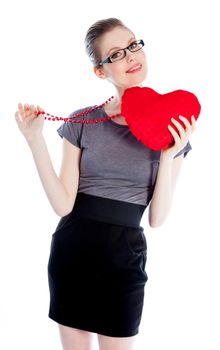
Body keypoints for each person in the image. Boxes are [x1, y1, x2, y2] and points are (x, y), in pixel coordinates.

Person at [15, 17, 196, 350]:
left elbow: (157, 219)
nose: (130, 56)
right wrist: (35, 139)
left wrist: (169, 156)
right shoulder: (83, 120)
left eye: (133, 45)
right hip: (74, 251)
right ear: (101, 71)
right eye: (116, 54)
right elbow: (63, 205)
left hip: (124, 256)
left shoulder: (173, 129)